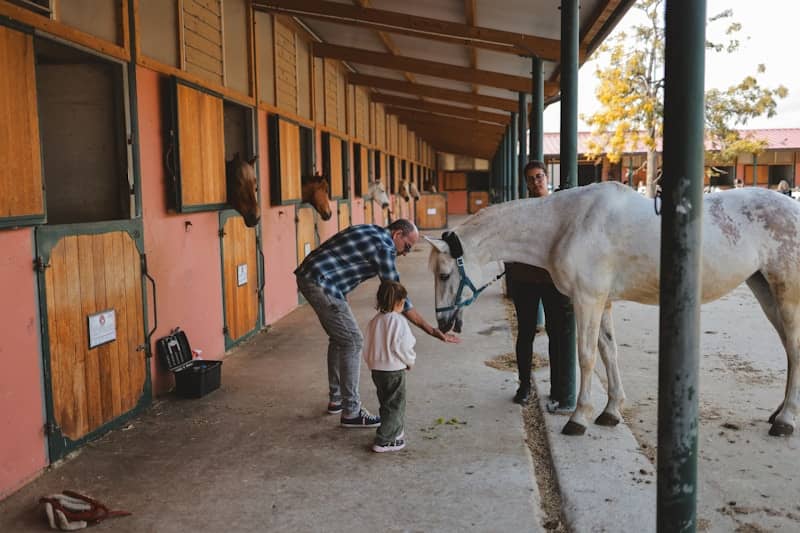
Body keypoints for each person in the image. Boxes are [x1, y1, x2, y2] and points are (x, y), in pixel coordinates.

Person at [295, 219, 459, 428]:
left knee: (340, 339)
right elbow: (399, 297)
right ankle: (351, 412)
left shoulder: (371, 229)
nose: (406, 253)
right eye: (407, 246)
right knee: (352, 341)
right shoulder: (385, 246)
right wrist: (432, 330)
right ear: (397, 234)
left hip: (314, 277)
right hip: (322, 282)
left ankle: (337, 399)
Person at [506, 161, 573, 405]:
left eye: (539, 176)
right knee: (525, 333)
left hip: (553, 279)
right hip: (525, 280)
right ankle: (524, 386)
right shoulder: (522, 209)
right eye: (531, 178)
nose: (536, 182)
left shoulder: (559, 206)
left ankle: (558, 388)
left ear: (546, 177)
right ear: (526, 183)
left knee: (557, 334)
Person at [363, 280, 416, 452]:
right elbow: (403, 346)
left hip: (377, 370)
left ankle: (394, 431)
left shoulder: (374, 321)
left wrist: (371, 363)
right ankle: (385, 440)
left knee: (386, 402)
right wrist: (409, 361)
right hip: (394, 370)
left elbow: (367, 345)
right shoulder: (399, 321)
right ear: (399, 302)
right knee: (395, 404)